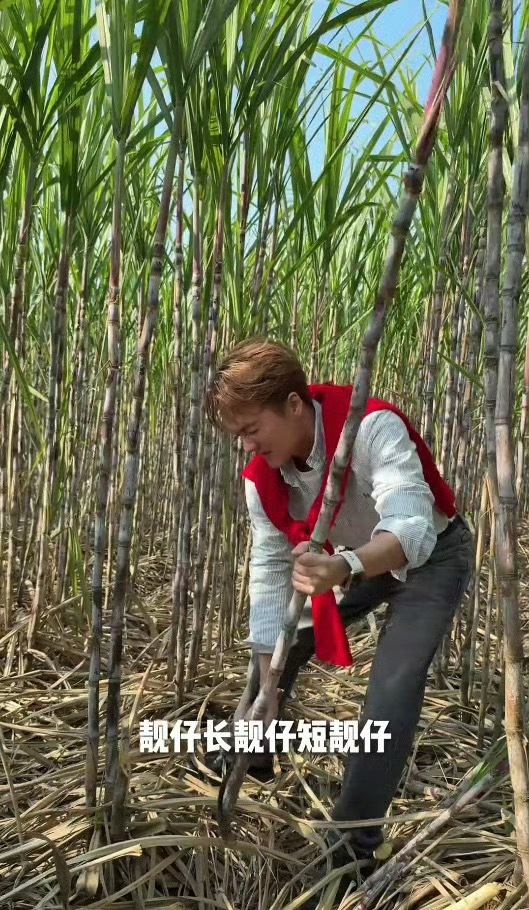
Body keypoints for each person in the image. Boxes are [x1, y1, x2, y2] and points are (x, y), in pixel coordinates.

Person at [205, 336, 473, 903]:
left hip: (428, 558)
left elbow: (413, 531)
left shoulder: (373, 428)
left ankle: (351, 847)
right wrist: (269, 679)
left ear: (295, 405)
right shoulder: (264, 477)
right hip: (344, 562)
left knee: (391, 691)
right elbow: (269, 569)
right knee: (279, 648)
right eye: (239, 436)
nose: (247, 445)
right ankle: (249, 755)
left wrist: (345, 566)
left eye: (253, 428)